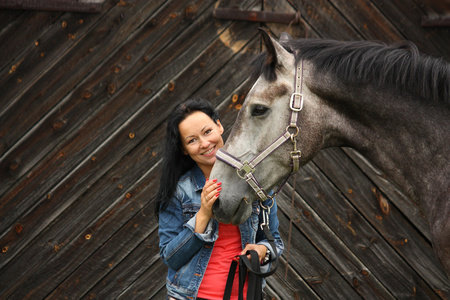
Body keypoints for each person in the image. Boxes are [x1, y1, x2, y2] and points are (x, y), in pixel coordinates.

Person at [155, 98, 283, 300]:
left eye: (207, 132)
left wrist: (262, 251)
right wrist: (203, 214)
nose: (205, 144)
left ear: (219, 125)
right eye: (192, 140)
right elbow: (170, 257)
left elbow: (273, 241)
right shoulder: (179, 191)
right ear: (183, 149)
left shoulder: (255, 183)